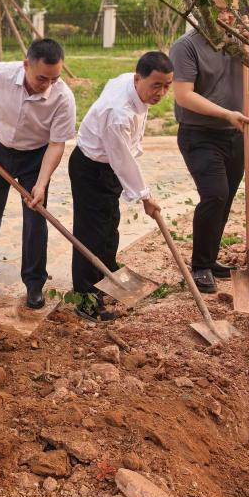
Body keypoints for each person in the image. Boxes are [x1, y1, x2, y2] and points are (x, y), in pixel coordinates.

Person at [0, 38, 77, 309]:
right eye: (42, 78)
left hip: (35, 157)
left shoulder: (63, 98)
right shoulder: (1, 74)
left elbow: (57, 144)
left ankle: (34, 282)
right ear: (26, 65)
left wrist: (41, 184)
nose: (48, 84)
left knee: (35, 219)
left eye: (54, 78)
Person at [170, 0, 249, 294]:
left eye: (233, 10)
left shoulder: (238, 41)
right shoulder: (186, 46)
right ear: (202, 11)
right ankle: (200, 266)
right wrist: (226, 113)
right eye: (221, 10)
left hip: (235, 134)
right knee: (215, 194)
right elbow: (184, 95)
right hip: (199, 134)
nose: (228, 17)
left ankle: (210, 259)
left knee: (224, 198)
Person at [70, 52, 173, 314]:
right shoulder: (117, 113)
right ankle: (85, 298)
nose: (161, 93)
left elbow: (122, 159)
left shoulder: (129, 82)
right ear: (138, 79)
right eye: (156, 85)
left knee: (109, 225)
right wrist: (145, 197)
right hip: (92, 169)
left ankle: (108, 274)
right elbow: (122, 161)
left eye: (167, 86)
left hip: (108, 164)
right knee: (90, 234)